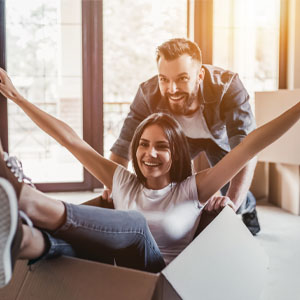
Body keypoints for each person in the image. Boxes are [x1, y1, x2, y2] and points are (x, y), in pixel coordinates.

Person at [0, 68, 300, 289]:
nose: (149, 154)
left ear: (177, 153)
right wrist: (16, 97)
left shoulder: (194, 188)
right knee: (63, 246)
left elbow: (251, 145)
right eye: (143, 144)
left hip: (162, 282)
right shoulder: (122, 180)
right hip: (120, 274)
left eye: (161, 146)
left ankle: (27, 198)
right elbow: (71, 140)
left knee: (135, 224)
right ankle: (20, 239)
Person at [106, 38, 259, 234]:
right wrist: (112, 188)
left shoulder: (229, 86)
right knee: (172, 182)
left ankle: (249, 207)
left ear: (200, 75)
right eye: (164, 79)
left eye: (182, 78)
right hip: (182, 140)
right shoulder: (147, 93)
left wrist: (232, 206)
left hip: (219, 139)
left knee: (230, 188)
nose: (172, 89)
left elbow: (246, 149)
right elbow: (123, 145)